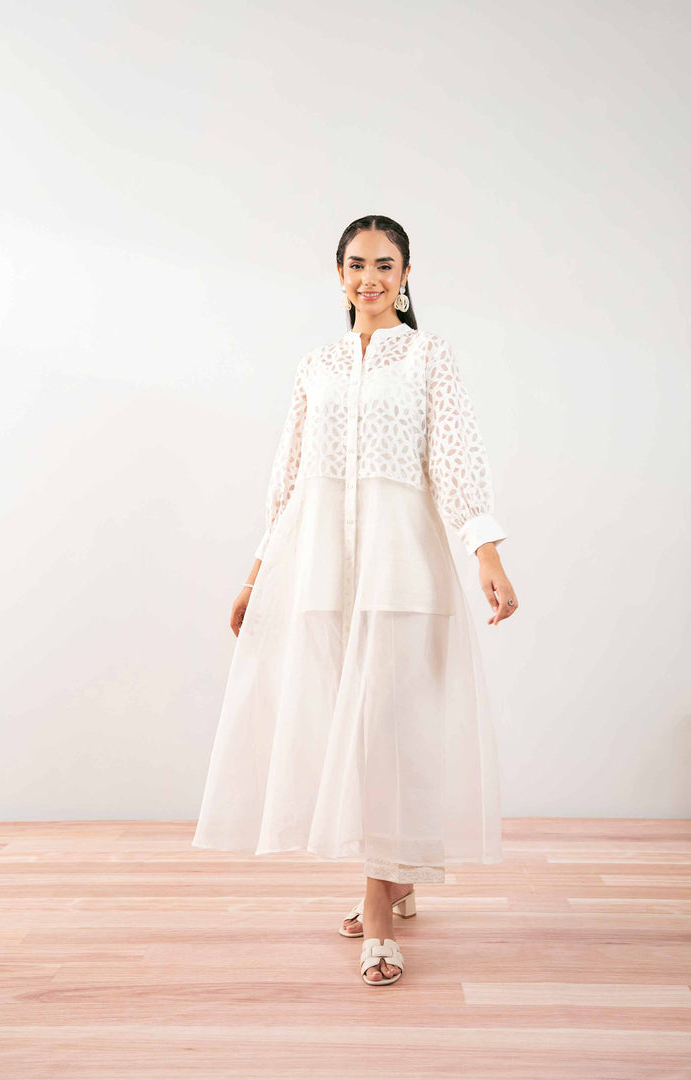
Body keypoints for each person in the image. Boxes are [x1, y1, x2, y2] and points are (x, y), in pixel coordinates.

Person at [192, 214, 519, 986]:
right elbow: (290, 480)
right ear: (339, 275)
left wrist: (487, 552)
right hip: (321, 572)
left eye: (384, 264)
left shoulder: (429, 357)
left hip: (403, 569)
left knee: (388, 730)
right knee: (348, 726)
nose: (369, 277)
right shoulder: (317, 366)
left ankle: (378, 912)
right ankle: (396, 874)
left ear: (405, 276)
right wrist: (255, 575)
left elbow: (456, 459)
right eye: (356, 264)